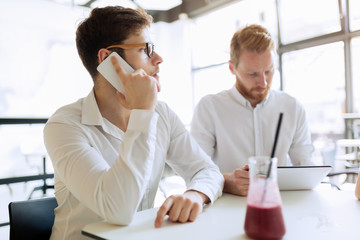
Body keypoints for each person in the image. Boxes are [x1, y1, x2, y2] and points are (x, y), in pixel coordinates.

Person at [43, 6, 223, 239]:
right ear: (108, 59)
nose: (158, 58)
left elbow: (207, 169)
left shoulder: (162, 113)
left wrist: (195, 194)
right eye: (146, 49)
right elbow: (118, 209)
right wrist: (142, 111)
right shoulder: (64, 126)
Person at [190, 24, 314, 197]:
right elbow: (195, 170)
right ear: (232, 68)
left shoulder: (292, 107)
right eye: (253, 74)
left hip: (281, 206)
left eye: (269, 71)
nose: (263, 82)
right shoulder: (210, 108)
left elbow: (306, 169)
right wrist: (226, 182)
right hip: (227, 209)